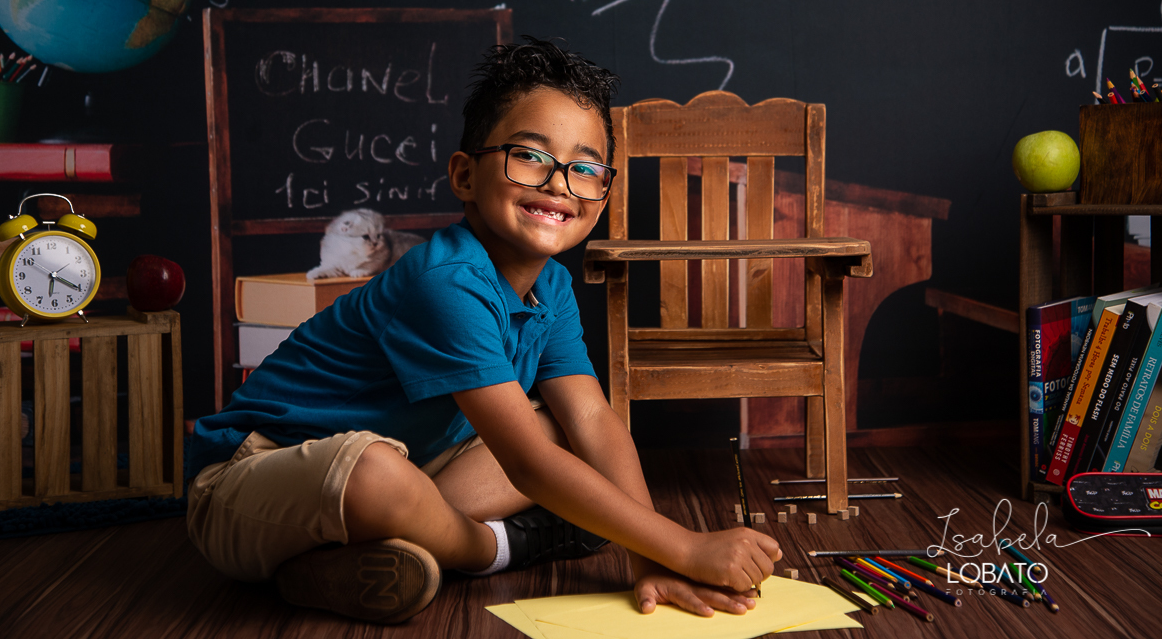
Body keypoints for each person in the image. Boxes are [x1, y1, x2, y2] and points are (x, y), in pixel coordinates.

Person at [185, 37, 781, 624]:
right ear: (465, 176)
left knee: (564, 434)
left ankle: (345, 562)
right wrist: (684, 545)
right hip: (249, 480)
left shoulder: (550, 287)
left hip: (414, 469)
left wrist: (647, 558)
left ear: (603, 191)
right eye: (530, 156)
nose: (558, 183)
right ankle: (496, 548)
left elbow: (592, 421)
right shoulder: (444, 279)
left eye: (586, 167)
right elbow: (523, 465)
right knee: (375, 470)